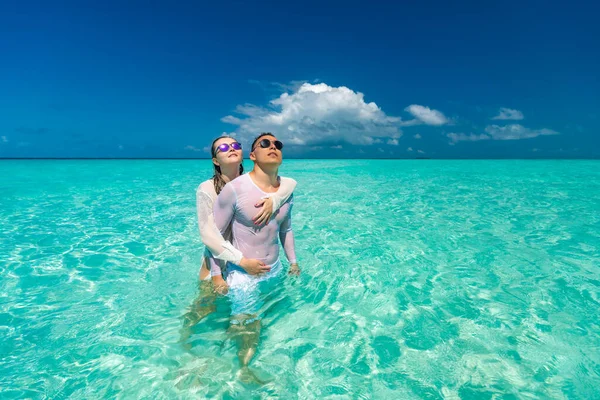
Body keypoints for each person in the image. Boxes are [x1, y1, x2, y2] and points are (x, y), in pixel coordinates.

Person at [179, 135, 296, 349]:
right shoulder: (207, 189)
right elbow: (208, 236)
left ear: (245, 155)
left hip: (245, 262)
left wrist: (276, 199)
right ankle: (184, 343)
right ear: (216, 160)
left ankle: (229, 350)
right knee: (205, 308)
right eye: (223, 147)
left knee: (240, 314)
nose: (231, 148)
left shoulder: (255, 181)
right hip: (219, 260)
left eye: (235, 145)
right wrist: (232, 266)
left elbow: (289, 184)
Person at [208, 132, 299, 377]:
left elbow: (286, 228)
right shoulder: (235, 189)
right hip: (243, 273)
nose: (273, 147)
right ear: (253, 155)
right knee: (249, 325)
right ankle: (243, 371)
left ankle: (222, 349)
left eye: (278, 144)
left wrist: (293, 262)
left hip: (275, 269)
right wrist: (217, 275)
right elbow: (213, 235)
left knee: (264, 318)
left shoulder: (286, 191)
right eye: (265, 144)